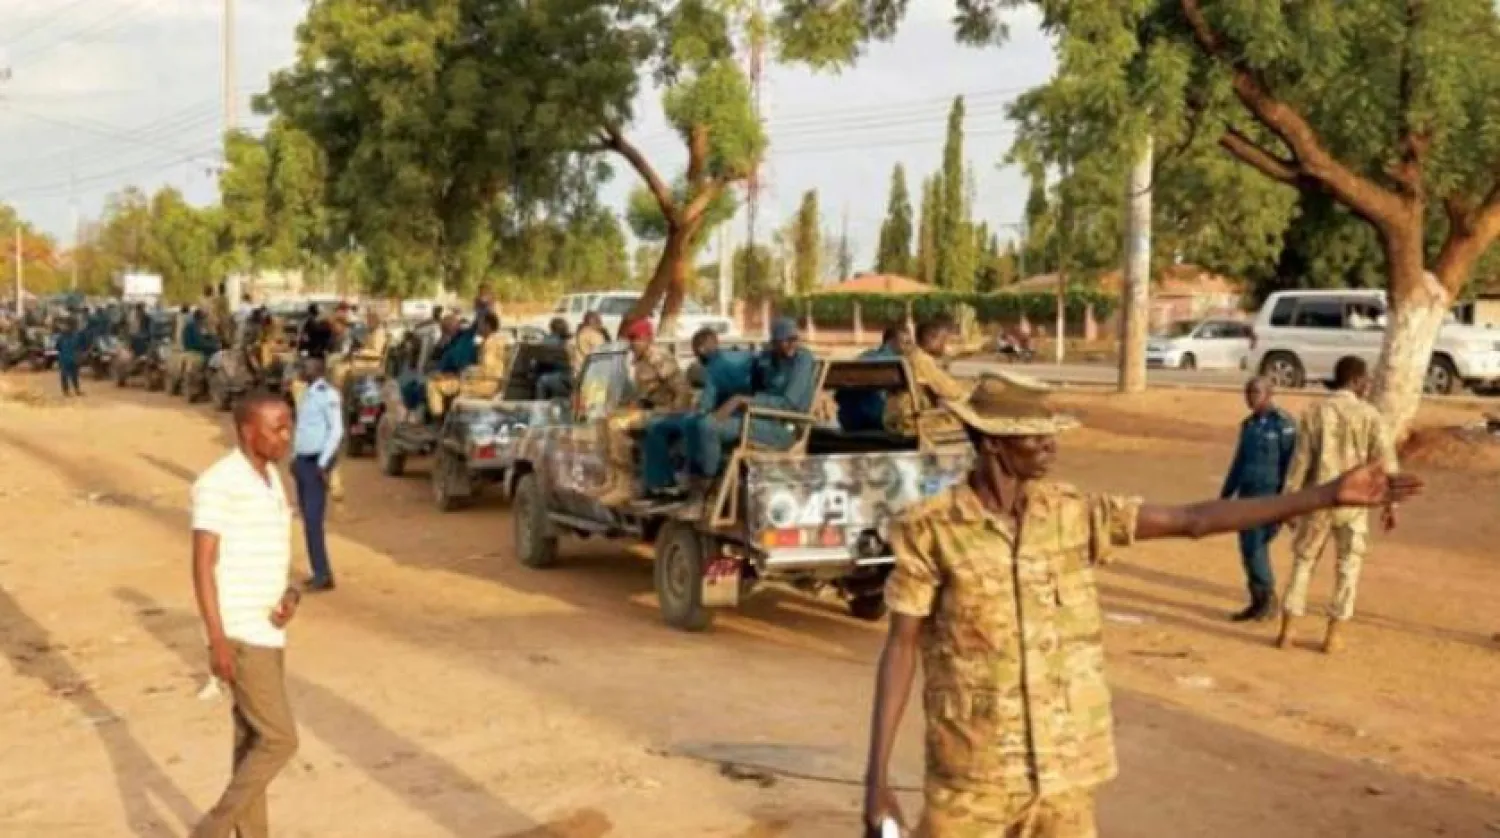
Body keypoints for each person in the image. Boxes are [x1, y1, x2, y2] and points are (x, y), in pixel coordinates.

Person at [862, 372, 1422, 838]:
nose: (1051, 447)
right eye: (1036, 438)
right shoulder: (931, 531)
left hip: (1065, 780)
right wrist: (877, 778)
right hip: (972, 779)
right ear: (993, 444)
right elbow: (902, 647)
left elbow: (1193, 520)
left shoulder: (1074, 514)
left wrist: (1324, 495)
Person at [189, 392, 302, 838]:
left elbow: (271, 550)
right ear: (247, 431)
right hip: (239, 630)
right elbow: (201, 564)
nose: (286, 435)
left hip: (268, 627)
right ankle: (210, 831)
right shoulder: (219, 483)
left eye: (288, 425)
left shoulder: (270, 476)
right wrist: (216, 638)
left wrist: (290, 593)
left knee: (253, 740)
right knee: (280, 739)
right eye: (277, 427)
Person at [1277, 356, 1399, 654]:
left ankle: (1288, 631)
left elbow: (1300, 461)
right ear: (1357, 381)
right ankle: (1333, 635)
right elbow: (1385, 462)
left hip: (1318, 500)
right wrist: (1390, 504)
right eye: (1365, 380)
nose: (1368, 385)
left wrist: (1289, 502)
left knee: (1303, 562)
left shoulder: (1313, 412)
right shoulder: (1370, 415)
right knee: (1348, 568)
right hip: (1354, 505)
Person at [689, 316, 816, 480]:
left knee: (708, 427)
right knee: (700, 422)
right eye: (786, 340)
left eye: (795, 339)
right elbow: (747, 373)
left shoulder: (802, 360)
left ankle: (708, 483)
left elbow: (788, 404)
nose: (792, 344)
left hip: (785, 426)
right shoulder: (769, 358)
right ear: (775, 342)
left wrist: (742, 400)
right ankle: (715, 477)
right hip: (761, 418)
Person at [640, 328, 754, 500]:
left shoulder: (714, 367)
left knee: (661, 426)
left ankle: (663, 484)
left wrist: (680, 411)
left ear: (700, 350)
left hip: (729, 419)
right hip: (735, 415)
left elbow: (705, 406)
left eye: (695, 353)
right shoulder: (734, 360)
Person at [1220, 376, 1298, 621]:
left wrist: (1289, 506)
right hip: (1247, 496)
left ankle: (1268, 600)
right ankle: (1257, 601)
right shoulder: (1249, 426)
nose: (1249, 397)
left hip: (1270, 499)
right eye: (1247, 392)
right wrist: (1225, 495)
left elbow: (1293, 466)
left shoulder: (1284, 425)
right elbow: (1238, 462)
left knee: (1256, 547)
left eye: (1255, 392)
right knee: (1247, 549)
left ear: (1269, 393)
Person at [592, 319, 691, 505]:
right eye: (631, 339)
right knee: (603, 420)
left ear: (647, 339)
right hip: (649, 409)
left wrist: (674, 415)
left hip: (664, 412)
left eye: (635, 339)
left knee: (616, 425)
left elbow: (682, 389)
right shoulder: (639, 361)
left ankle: (626, 486)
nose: (632, 344)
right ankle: (614, 478)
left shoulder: (658, 357)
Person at [291, 358, 343, 592]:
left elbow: (336, 430)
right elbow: (302, 428)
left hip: (315, 463)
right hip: (303, 461)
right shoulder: (307, 393)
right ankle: (319, 571)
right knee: (307, 520)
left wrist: (323, 463)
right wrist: (294, 457)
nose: (302, 369)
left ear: (318, 371)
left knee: (313, 520)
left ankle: (323, 574)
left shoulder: (327, 395)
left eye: (306, 367)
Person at [884, 315, 972, 436]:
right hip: (912, 422)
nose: (946, 346)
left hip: (895, 419)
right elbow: (951, 391)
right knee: (972, 421)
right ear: (932, 339)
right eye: (944, 340)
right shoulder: (923, 360)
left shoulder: (911, 356)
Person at [424, 311, 507, 419]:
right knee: (438, 380)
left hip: (483, 385)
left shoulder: (490, 344)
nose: (478, 328)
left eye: (481, 324)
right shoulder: (494, 341)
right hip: (481, 382)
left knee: (433, 385)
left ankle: (438, 420)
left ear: (487, 326)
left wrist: (462, 373)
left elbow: (488, 371)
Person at [837, 323, 911, 432]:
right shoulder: (897, 363)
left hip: (848, 420)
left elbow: (839, 396)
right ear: (891, 341)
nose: (909, 347)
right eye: (906, 343)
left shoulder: (864, 356)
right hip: (878, 420)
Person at [56, 317, 85, 397]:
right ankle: (69, 391)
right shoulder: (74, 336)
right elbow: (58, 347)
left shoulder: (65, 336)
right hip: (67, 357)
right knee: (66, 375)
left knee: (73, 375)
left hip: (68, 357)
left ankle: (73, 390)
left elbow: (58, 347)